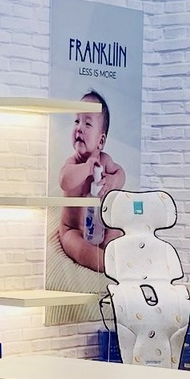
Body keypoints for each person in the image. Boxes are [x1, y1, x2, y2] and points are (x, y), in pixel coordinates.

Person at [54, 92, 125, 273]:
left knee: (115, 233)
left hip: (100, 227)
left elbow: (121, 173)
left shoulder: (105, 161)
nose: (79, 128)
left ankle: (114, 254)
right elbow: (64, 181)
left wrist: (113, 180)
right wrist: (86, 168)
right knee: (80, 249)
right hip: (73, 230)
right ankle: (105, 263)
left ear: (101, 141)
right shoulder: (73, 163)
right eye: (76, 121)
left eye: (87, 123)